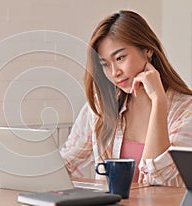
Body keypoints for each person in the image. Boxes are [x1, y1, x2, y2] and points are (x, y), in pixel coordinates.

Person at [60, 10, 192, 187]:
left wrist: (158, 101)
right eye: (105, 64)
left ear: (148, 50)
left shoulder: (186, 111)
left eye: (120, 58)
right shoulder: (102, 105)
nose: (114, 73)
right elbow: (67, 163)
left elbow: (158, 182)